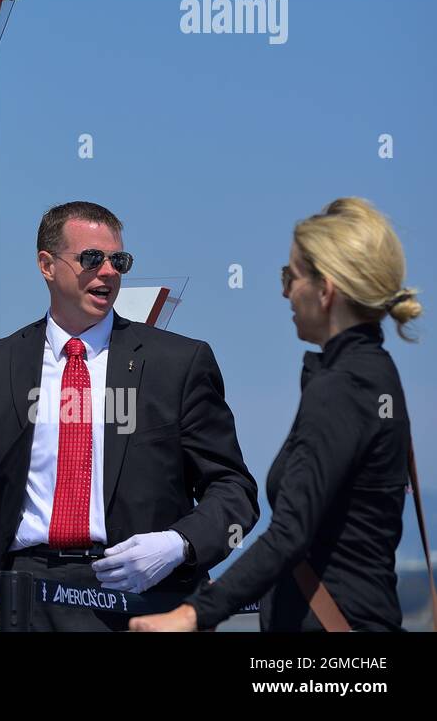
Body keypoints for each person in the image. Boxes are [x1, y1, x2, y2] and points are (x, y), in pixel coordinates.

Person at [0, 201, 259, 631]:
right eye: (91, 259)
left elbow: (234, 490)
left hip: (140, 600)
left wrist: (177, 545)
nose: (108, 272)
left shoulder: (178, 363)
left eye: (118, 260)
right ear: (47, 265)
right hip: (23, 601)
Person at [131, 197, 421, 632]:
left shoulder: (344, 386)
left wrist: (192, 614)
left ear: (326, 290)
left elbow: (290, 533)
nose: (285, 290)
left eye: (291, 275)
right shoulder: (375, 372)